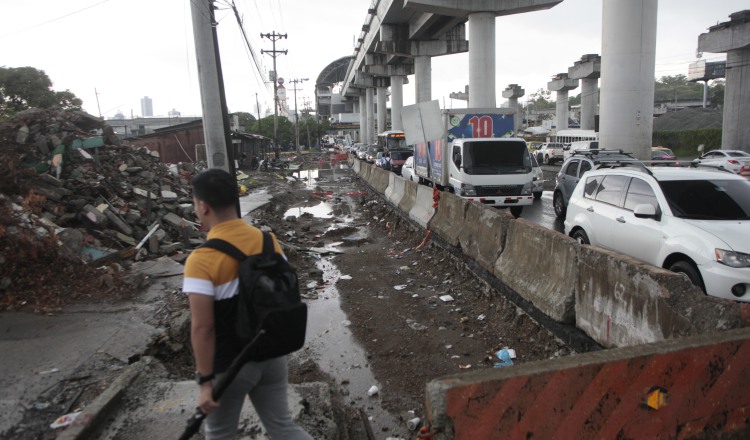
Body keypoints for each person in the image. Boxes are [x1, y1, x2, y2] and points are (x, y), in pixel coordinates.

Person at [182, 168, 313, 440]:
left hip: (230, 365)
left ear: (203, 207)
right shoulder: (268, 241)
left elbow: (203, 327)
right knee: (282, 426)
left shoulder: (201, 259)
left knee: (220, 433)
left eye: (195, 203)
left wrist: (205, 381)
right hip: (272, 354)